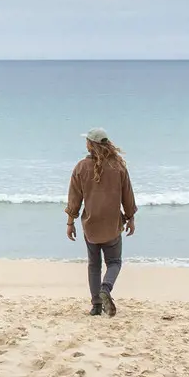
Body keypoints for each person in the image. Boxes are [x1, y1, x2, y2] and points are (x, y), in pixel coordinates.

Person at [65, 130, 137, 316]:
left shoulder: (80, 167)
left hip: (91, 225)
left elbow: (74, 198)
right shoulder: (118, 167)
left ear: (90, 145)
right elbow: (128, 195)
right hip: (112, 225)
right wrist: (130, 217)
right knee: (114, 262)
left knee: (94, 264)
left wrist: (70, 221)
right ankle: (106, 288)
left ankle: (96, 305)